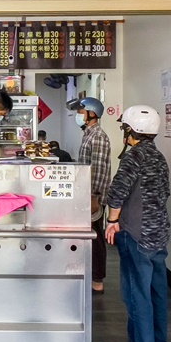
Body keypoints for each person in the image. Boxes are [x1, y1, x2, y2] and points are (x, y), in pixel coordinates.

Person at [104, 104, 170, 342]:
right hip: (159, 233)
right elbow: (164, 193)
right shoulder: (159, 157)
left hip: (137, 233)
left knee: (136, 293)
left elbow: (117, 193)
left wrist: (112, 221)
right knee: (157, 290)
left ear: (130, 131)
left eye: (124, 128)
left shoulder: (133, 157)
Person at [71, 97, 111, 293]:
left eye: (81, 112)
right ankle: (90, 275)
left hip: (93, 197)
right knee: (89, 237)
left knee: (96, 238)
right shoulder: (88, 134)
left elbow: (98, 168)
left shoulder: (98, 137)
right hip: (85, 195)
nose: (78, 115)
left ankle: (97, 281)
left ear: (92, 114)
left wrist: (94, 195)